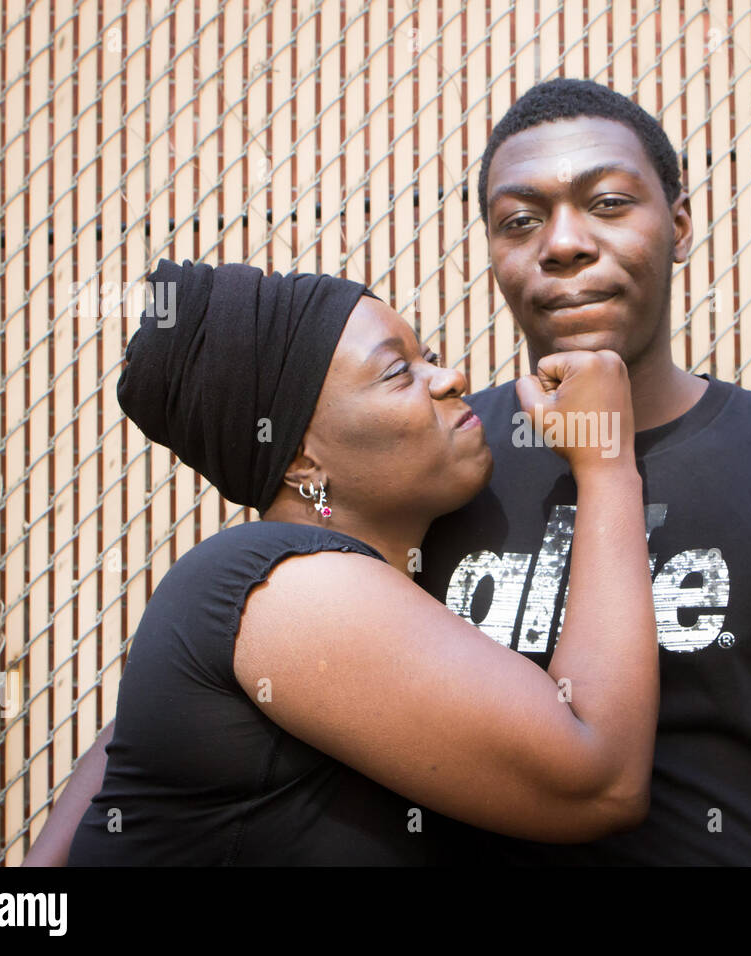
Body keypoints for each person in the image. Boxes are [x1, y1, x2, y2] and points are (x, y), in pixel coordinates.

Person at [31, 77, 751, 867]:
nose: (565, 242)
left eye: (610, 203)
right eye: (519, 218)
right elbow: (187, 718)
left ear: (681, 221)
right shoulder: (441, 468)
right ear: (495, 253)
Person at [58, 258, 659, 865]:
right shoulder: (286, 586)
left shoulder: (273, 595)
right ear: (301, 460)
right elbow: (601, 784)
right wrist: (606, 464)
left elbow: (119, 757)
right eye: (399, 372)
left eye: (429, 355)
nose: (450, 377)